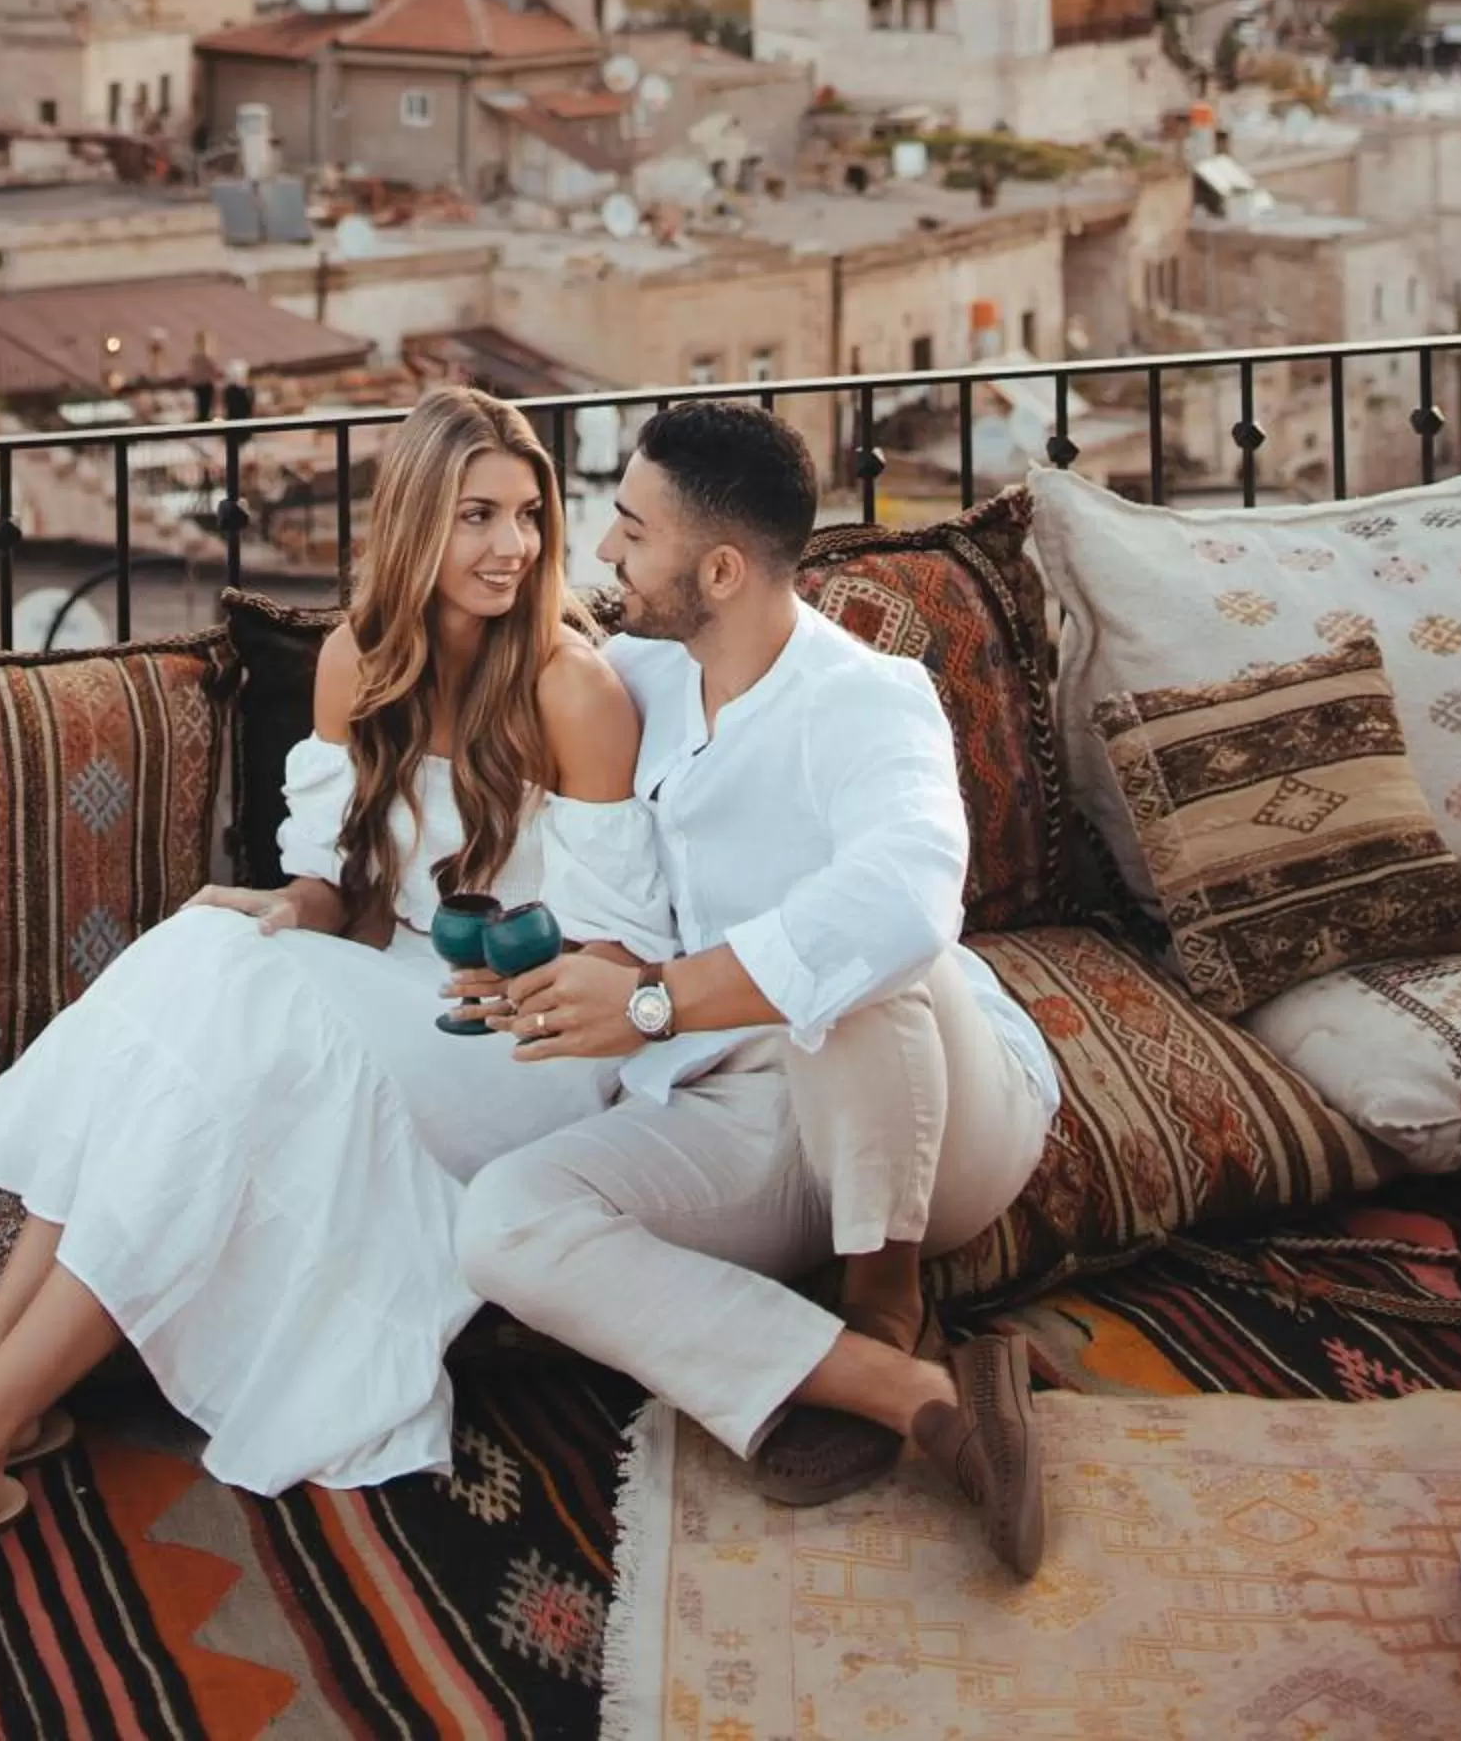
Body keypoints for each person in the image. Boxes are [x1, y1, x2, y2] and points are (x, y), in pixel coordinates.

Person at [0, 386, 673, 1595]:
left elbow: (611, 959)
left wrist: (489, 978)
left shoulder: (572, 687)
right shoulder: (359, 661)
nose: (513, 546)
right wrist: (281, 912)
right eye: (476, 517)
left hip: (530, 1045)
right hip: (388, 999)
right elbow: (335, 896)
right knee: (206, 956)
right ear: (410, 526)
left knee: (257, 1012)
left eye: (530, 516)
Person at [453, 398, 1063, 1574]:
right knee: (504, 1224)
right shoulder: (636, 675)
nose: (605, 553)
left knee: (857, 962)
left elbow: (901, 903)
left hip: (940, 1124)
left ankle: (888, 1294)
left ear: (720, 568)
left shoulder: (868, 700)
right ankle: (898, 1388)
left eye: (631, 530)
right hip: (742, 1108)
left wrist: (654, 1001)